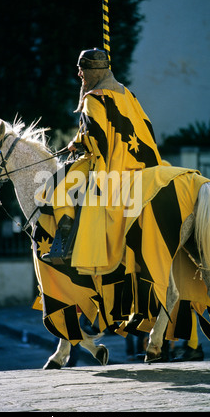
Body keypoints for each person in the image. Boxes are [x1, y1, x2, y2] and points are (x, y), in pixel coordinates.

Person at [42, 47, 162, 264]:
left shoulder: (94, 98)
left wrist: (75, 143)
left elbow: (96, 137)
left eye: (81, 69)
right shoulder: (127, 94)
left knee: (59, 188)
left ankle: (65, 246)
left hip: (112, 163)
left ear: (92, 71)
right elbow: (146, 126)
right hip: (142, 162)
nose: (79, 74)